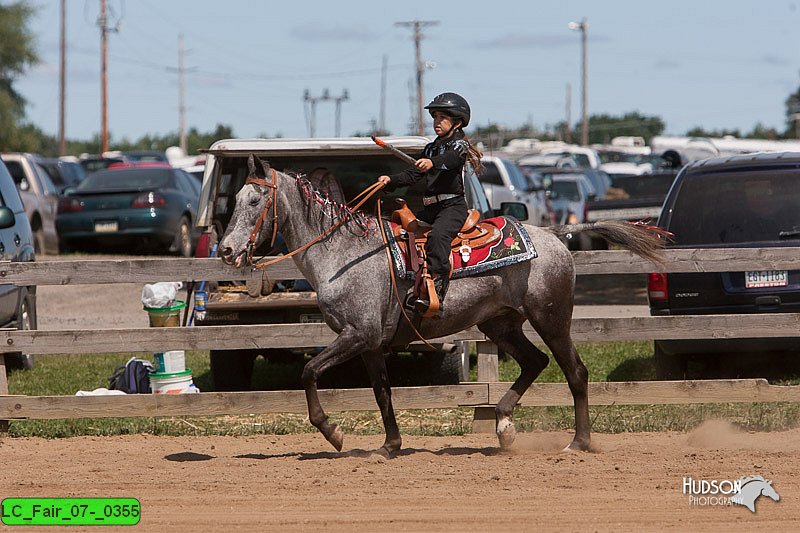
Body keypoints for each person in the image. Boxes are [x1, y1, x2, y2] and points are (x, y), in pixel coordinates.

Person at [377, 92, 482, 315]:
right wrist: (390, 181)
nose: (436, 122)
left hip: (452, 207)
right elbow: (411, 176)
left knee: (437, 237)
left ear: (457, 122)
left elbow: (450, 161)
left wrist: (432, 163)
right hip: (431, 209)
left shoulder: (459, 147)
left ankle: (440, 292)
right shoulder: (431, 148)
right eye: (434, 117)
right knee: (399, 234)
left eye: (442, 117)